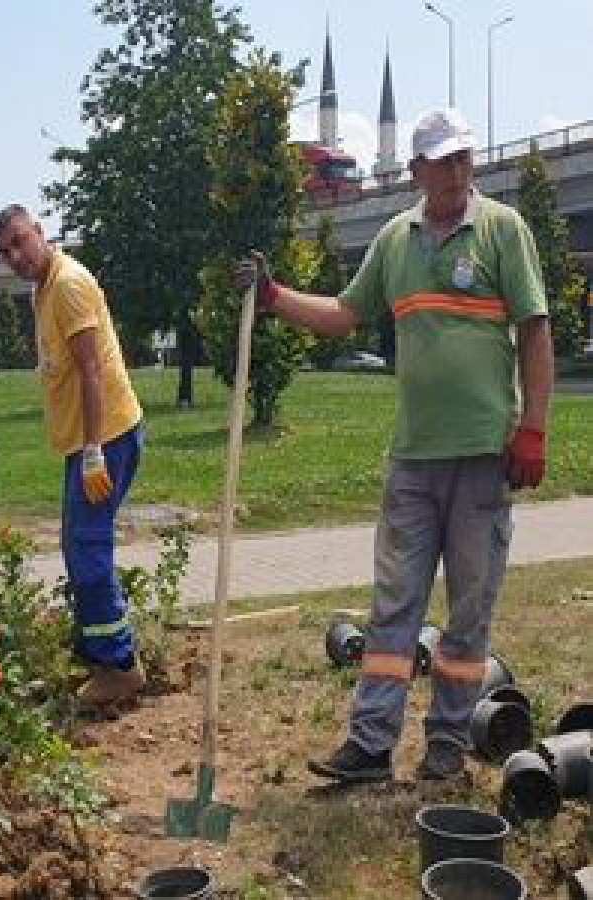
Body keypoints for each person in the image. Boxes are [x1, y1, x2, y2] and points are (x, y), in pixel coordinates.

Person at [236, 108, 554, 783]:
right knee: (394, 606)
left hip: (481, 456)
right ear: (416, 170)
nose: (458, 169)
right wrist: (273, 296)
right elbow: (345, 314)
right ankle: (372, 744)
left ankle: (445, 743)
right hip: (413, 458)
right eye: (443, 159)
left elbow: (534, 330)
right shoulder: (393, 240)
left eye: (464, 156)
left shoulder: (503, 230)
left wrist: (534, 428)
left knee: (469, 610)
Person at [0, 204, 146, 704]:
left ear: (40, 231)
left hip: (106, 439)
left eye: (20, 240)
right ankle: (97, 649)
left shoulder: (69, 286)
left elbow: (91, 371)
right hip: (87, 441)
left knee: (87, 548)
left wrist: (95, 450)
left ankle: (119, 666)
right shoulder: (45, 288)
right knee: (76, 545)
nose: (15, 255)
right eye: (5, 251)